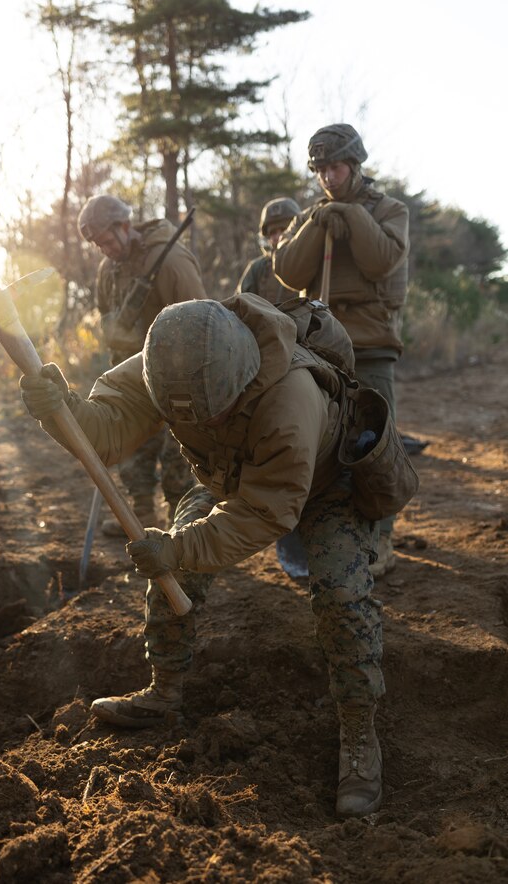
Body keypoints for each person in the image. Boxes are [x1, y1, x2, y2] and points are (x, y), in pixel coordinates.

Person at [19, 293, 387, 819]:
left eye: (216, 415)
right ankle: (164, 690)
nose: (204, 424)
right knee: (175, 563)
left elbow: (265, 513)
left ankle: (359, 732)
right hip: (228, 478)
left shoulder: (290, 400)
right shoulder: (169, 364)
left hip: (323, 484)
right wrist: (62, 411)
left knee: (343, 598)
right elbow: (108, 428)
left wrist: (177, 548)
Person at [272, 124, 410, 576]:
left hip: (370, 344)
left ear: (355, 164)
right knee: (320, 443)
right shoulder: (310, 216)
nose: (328, 178)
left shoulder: (390, 210)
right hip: (322, 348)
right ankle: (326, 539)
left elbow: (382, 260)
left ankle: (381, 538)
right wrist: (316, 223)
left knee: (374, 445)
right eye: (321, 170)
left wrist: (351, 216)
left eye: (335, 167)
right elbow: (289, 271)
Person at [78, 194, 206, 534]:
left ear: (125, 227)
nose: (105, 250)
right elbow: (105, 314)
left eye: (107, 241)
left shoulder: (171, 261)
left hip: (177, 377)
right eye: (98, 245)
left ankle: (183, 531)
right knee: (132, 453)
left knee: (179, 459)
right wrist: (115, 331)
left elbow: (201, 323)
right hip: (132, 378)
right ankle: (142, 521)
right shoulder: (109, 270)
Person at [236, 197, 301, 303]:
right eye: (273, 232)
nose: (279, 236)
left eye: (284, 230)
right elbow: (239, 306)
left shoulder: (311, 261)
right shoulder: (258, 268)